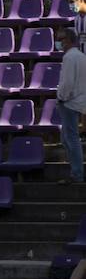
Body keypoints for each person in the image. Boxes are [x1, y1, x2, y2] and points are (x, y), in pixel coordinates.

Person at [59, 27, 86, 184]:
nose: (60, 43)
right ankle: (75, 172)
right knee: (66, 138)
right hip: (79, 101)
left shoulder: (69, 57)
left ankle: (77, 174)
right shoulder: (81, 56)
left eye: (61, 40)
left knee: (71, 139)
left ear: (68, 40)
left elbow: (68, 82)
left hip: (69, 102)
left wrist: (62, 98)